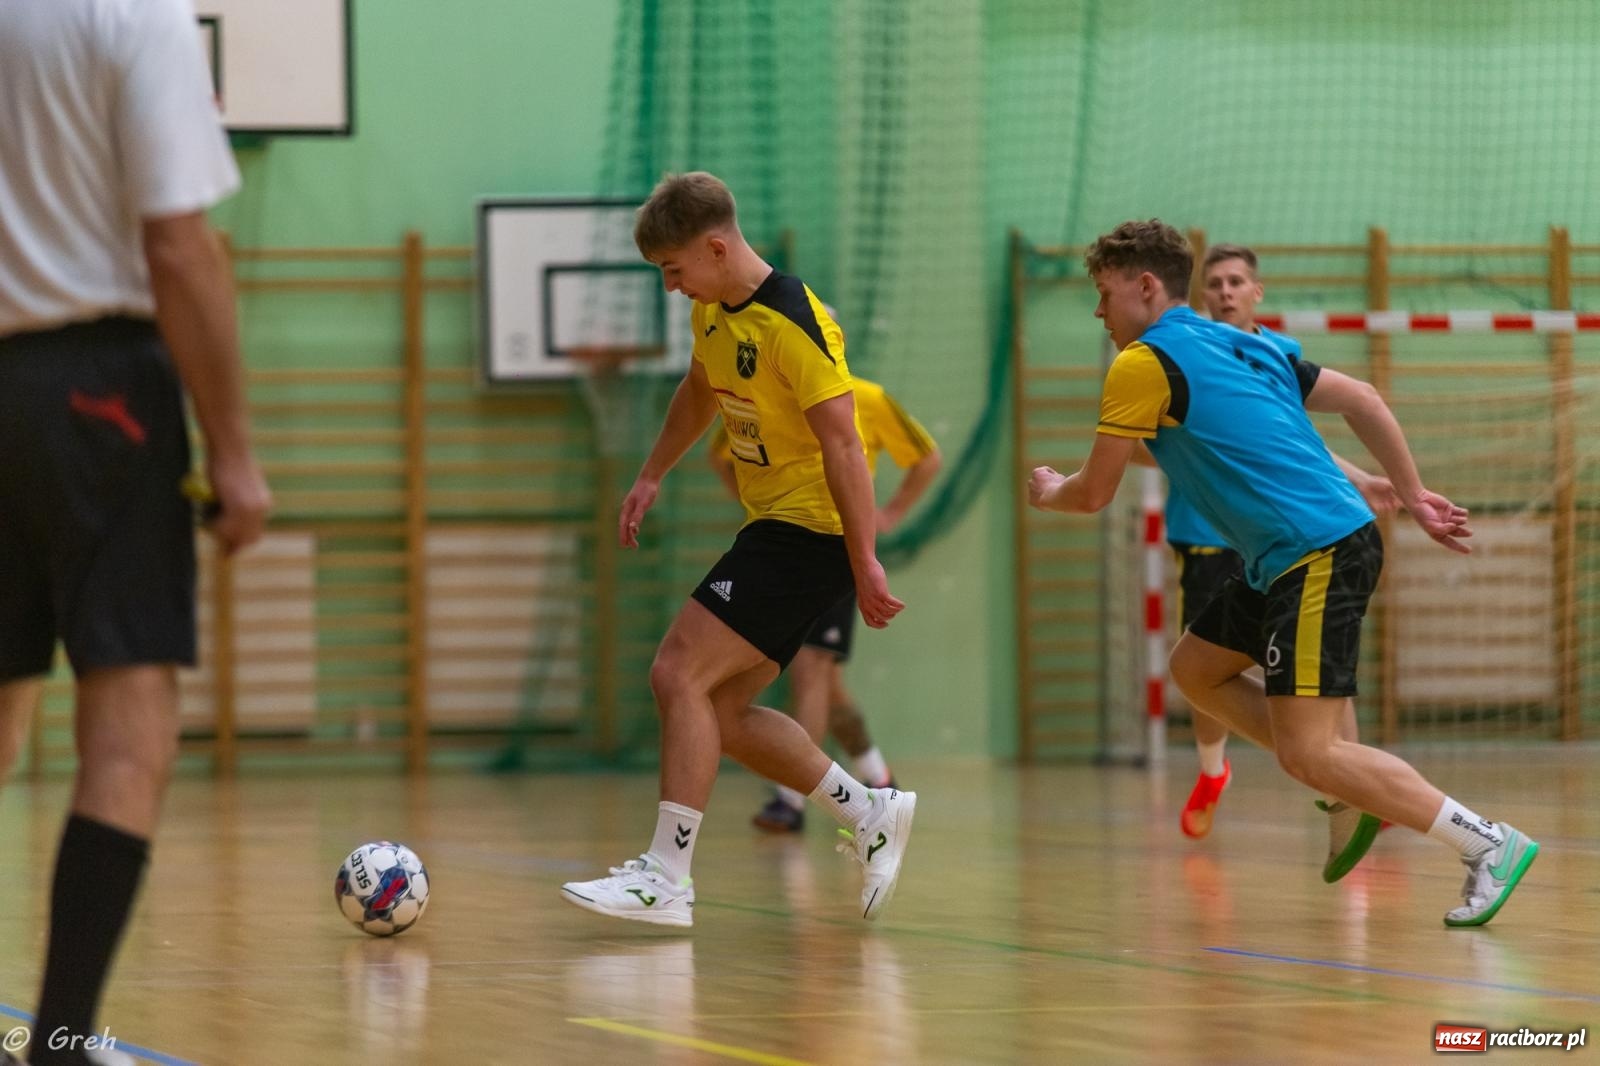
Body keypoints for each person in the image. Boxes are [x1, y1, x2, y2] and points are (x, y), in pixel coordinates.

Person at [1028, 219, 1537, 927]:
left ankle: (1486, 843)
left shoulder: (1142, 364)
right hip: (1301, 549)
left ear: (1145, 287)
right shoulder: (1243, 343)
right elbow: (1361, 398)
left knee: (1310, 752)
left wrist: (1050, 488)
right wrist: (1411, 492)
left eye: (1104, 293)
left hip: (1316, 550)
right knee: (1195, 669)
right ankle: (1341, 781)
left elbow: (1092, 493)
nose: (1098, 311)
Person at [0, 3, 272, 1064]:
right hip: (93, 386)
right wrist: (235, 448)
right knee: (129, 723)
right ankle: (62, 1037)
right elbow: (179, 240)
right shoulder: (130, 17)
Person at [559, 172, 917, 926]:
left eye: (675, 270)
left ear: (717, 248)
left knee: (675, 670)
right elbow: (698, 390)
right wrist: (652, 472)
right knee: (719, 709)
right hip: (775, 525)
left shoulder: (796, 322)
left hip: (809, 530)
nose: (671, 288)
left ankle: (667, 876)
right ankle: (871, 811)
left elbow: (846, 446)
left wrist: (864, 560)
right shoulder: (716, 315)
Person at [1176, 245, 1398, 875]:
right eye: (1213, 283)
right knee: (1197, 662)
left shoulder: (1274, 355)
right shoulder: (1184, 357)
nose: (1223, 292)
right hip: (1211, 537)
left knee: (1318, 669)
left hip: (1289, 538)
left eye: (1235, 281)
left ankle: (1349, 784)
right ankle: (1216, 770)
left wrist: (1362, 479)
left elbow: (1296, 446)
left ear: (1257, 292)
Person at [707, 370, 941, 832]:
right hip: (776, 548)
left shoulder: (865, 398)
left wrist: (889, 514)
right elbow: (720, 457)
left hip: (832, 546)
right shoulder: (757, 397)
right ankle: (879, 776)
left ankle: (792, 801)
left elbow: (926, 458)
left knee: (812, 666)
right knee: (825, 683)